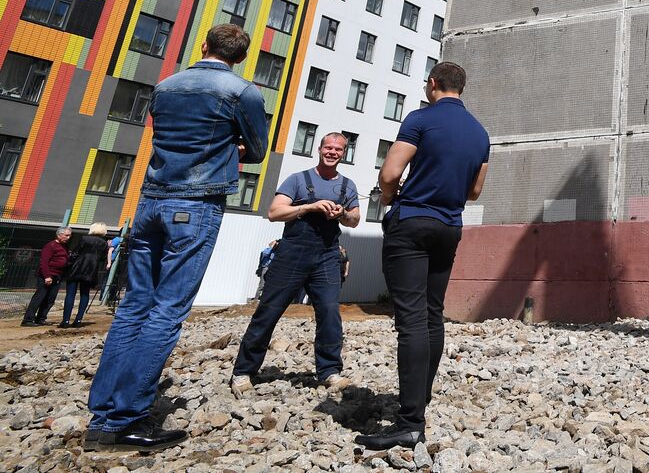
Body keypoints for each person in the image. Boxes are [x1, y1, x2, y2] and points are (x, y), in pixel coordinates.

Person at [86, 24, 267, 453]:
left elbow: (164, 137)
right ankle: (128, 419)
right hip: (197, 204)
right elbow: (257, 149)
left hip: (150, 201)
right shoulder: (242, 92)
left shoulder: (166, 86)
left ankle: (102, 418)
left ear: (203, 46)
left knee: (133, 307)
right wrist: (231, 147)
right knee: (167, 311)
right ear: (240, 57)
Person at [356, 62, 489, 451]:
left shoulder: (420, 119)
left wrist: (390, 202)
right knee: (432, 314)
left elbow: (389, 173)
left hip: (413, 221)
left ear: (433, 84)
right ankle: (421, 398)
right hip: (450, 227)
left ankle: (410, 421)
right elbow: (476, 191)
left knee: (410, 318)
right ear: (461, 88)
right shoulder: (480, 132)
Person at [230, 133, 360, 395]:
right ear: (319, 149)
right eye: (328, 147)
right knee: (269, 310)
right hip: (293, 252)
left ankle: (330, 371)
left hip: (326, 254)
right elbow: (274, 212)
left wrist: (342, 213)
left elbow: (355, 219)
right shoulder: (298, 179)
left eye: (338, 149)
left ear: (343, 154)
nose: (332, 152)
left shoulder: (348, 185)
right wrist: (309, 207)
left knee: (329, 313)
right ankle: (243, 372)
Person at [60, 223, 109, 328]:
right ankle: (78, 320)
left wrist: (68, 264)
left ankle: (66, 320)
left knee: (70, 294)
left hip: (77, 268)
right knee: (85, 294)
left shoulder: (84, 238)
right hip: (91, 270)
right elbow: (102, 258)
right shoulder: (104, 243)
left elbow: (75, 253)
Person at [21, 227, 72, 326]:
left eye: (69, 235)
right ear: (59, 235)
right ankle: (28, 319)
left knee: (50, 299)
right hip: (47, 276)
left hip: (58, 276)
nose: (68, 237)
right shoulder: (51, 246)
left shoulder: (64, 247)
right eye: (66, 235)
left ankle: (41, 318)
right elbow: (44, 262)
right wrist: (47, 276)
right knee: (39, 297)